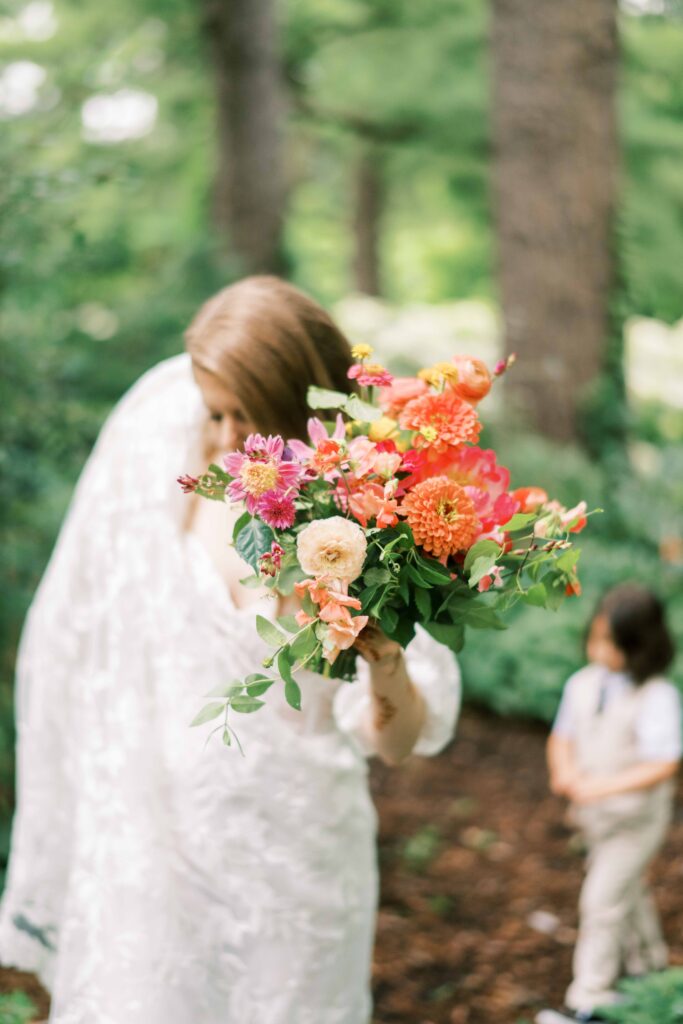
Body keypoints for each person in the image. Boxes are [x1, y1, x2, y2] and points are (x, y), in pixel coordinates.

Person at [0, 276, 460, 1024]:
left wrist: (384, 662)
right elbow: (81, 629)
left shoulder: (374, 506)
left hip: (294, 870)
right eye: (212, 411)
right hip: (154, 854)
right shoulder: (161, 441)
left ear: (296, 404)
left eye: (241, 416)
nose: (217, 436)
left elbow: (398, 742)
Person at [537, 583, 681, 1024]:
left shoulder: (656, 697)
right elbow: (562, 737)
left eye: (612, 644)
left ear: (641, 647)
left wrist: (601, 787)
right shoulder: (582, 684)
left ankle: (588, 999)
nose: (599, 651)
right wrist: (563, 772)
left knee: (601, 900)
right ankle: (649, 968)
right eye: (596, 638)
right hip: (595, 819)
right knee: (625, 891)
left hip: (635, 822)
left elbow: (664, 763)